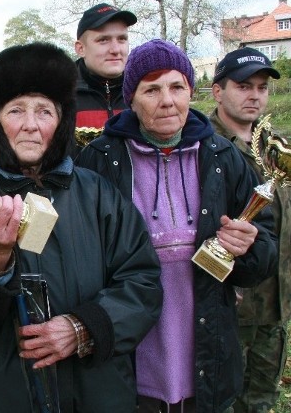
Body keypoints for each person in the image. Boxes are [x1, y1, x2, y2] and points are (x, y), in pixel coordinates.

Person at [0, 42, 163, 412]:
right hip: (2, 397)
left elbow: (142, 282)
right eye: (16, 110)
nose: (31, 124)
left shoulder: (98, 194)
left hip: (97, 395)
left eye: (44, 111)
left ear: (62, 120)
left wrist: (84, 327)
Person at [77, 39, 278, 412]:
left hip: (206, 350)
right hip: (131, 354)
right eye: (151, 89)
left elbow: (264, 249)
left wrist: (249, 246)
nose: (167, 101)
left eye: (176, 87)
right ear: (131, 99)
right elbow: (81, 256)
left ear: (190, 91)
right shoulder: (100, 159)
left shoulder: (222, 156)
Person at [209, 47, 289, 413]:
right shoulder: (203, 146)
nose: (254, 95)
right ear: (218, 91)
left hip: (276, 302)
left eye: (261, 87)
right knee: (221, 400)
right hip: (228, 307)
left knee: (261, 401)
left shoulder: (277, 147)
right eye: (243, 86)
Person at [72, 3, 136, 158]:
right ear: (81, 49)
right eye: (103, 40)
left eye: (122, 39)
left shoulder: (142, 92)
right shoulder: (60, 95)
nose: (115, 49)